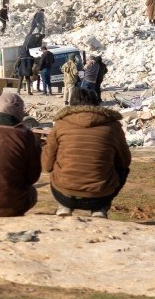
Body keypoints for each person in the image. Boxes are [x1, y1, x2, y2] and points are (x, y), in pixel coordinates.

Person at [42, 87, 132, 218]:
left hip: (64, 194)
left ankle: (64, 207)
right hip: (100, 195)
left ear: (71, 104)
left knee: (55, 160)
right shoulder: (113, 126)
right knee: (123, 170)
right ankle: (100, 209)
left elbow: (46, 166)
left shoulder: (60, 124)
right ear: (97, 103)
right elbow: (125, 161)